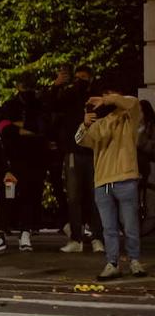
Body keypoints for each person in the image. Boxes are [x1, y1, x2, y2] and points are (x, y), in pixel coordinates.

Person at [75, 84, 145, 280]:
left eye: (110, 96)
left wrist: (107, 99)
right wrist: (85, 124)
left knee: (130, 225)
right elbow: (80, 140)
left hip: (125, 178)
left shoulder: (128, 116)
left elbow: (132, 102)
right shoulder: (100, 123)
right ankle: (112, 262)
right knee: (109, 228)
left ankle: (134, 261)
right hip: (103, 182)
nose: (105, 99)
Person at [0, 76, 48, 252]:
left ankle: (25, 232)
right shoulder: (10, 105)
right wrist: (26, 130)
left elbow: (42, 129)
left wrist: (18, 128)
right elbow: (3, 127)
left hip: (34, 159)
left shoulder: (39, 105)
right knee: (7, 196)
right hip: (13, 158)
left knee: (29, 195)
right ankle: (1, 232)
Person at [56, 67, 104, 253]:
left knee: (95, 197)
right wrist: (56, 86)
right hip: (74, 152)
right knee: (74, 197)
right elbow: (52, 105)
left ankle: (97, 237)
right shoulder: (69, 96)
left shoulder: (96, 97)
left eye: (83, 78)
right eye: (77, 78)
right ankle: (77, 237)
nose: (79, 82)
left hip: (92, 153)